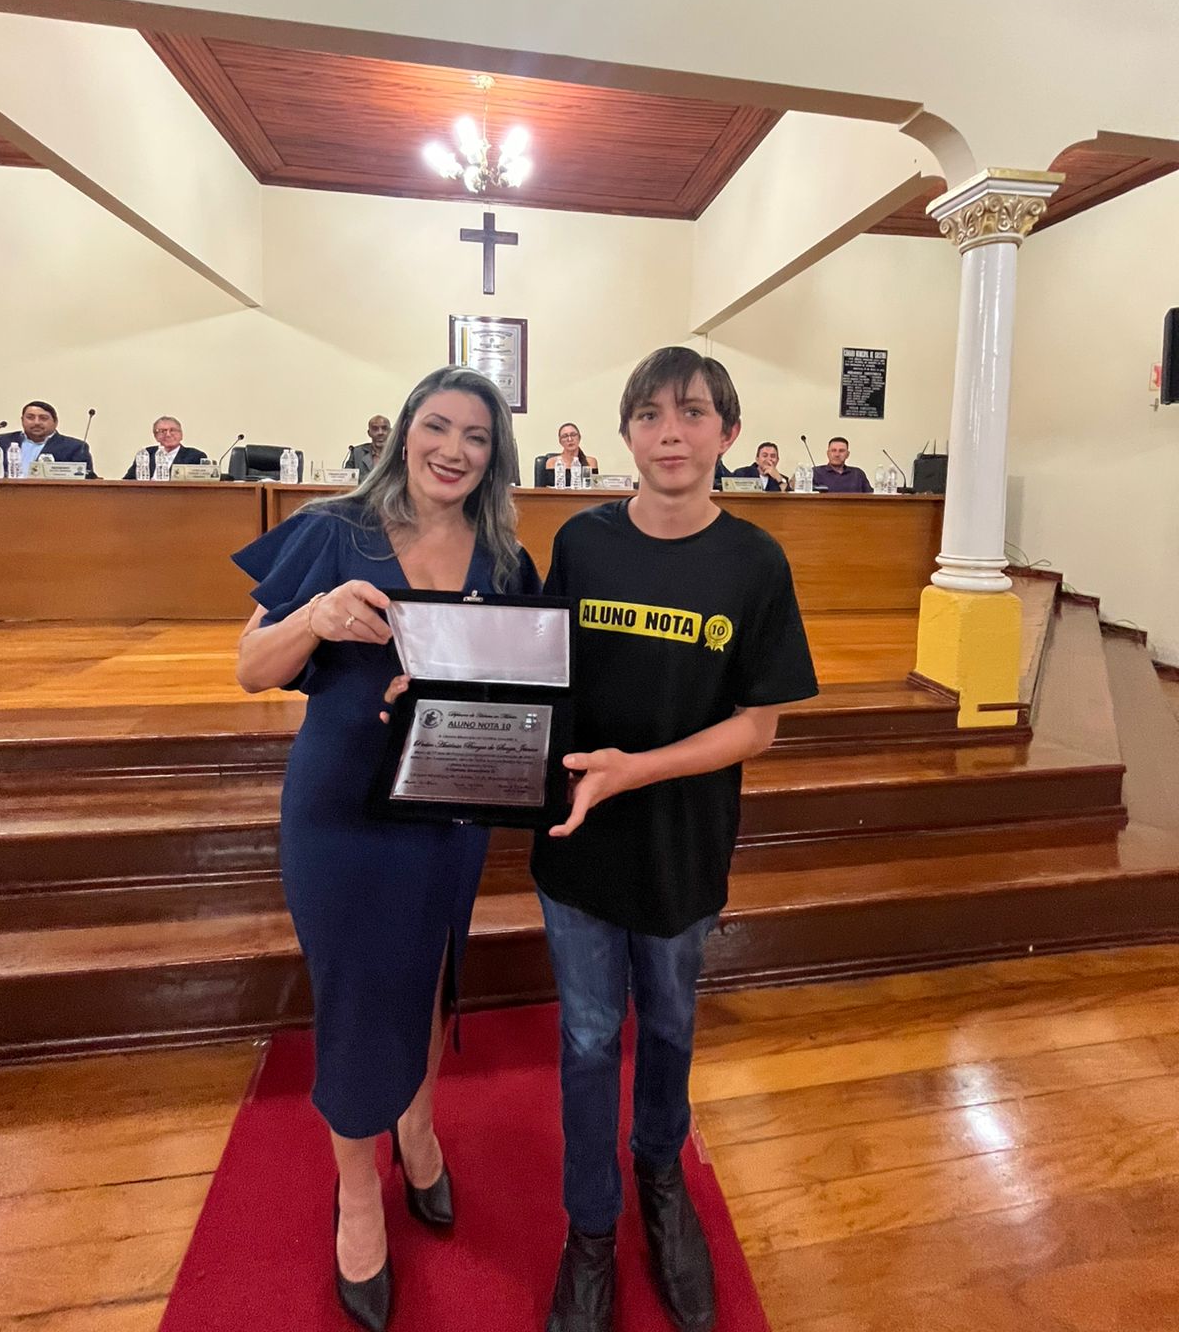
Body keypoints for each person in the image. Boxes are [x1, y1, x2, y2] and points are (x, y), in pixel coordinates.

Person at [232, 367, 539, 1332]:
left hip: (449, 804)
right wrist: (313, 617)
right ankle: (357, 1188)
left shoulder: (505, 556)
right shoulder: (332, 530)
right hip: (341, 811)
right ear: (405, 431)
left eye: (477, 437)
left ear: (495, 456)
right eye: (437, 426)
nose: (454, 449)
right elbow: (250, 669)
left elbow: (523, 691)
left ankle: (418, 1125)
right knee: (358, 991)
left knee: (433, 971)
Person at [530, 347, 818, 1332]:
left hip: (683, 841)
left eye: (693, 413)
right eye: (649, 414)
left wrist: (638, 769)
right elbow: (537, 670)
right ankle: (590, 1228)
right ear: (625, 433)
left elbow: (758, 725)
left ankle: (660, 1176)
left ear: (728, 433)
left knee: (668, 1022)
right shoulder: (582, 542)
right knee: (585, 1037)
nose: (670, 433)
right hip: (578, 837)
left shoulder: (755, 561)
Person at [0, 401, 97, 478]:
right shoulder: (2, 442)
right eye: (30, 417)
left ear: (55, 422)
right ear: (22, 420)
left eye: (43, 418)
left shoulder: (74, 447)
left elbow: (86, 478)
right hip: (2, 500)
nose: (36, 422)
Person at [121, 416, 208, 479]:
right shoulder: (146, 453)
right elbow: (128, 480)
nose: (168, 435)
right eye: (162, 431)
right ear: (155, 436)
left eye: (172, 430)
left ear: (181, 435)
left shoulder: (195, 456)